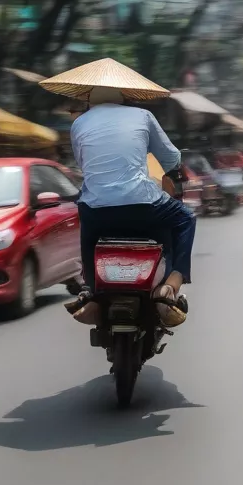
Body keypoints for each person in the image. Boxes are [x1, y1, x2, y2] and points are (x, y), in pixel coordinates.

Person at [67, 86, 195, 327]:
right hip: (143, 204)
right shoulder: (143, 116)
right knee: (186, 218)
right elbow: (170, 157)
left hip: (96, 210)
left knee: (88, 232)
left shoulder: (78, 123)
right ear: (123, 96)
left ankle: (92, 290)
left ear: (89, 99)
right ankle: (172, 284)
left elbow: (83, 162)